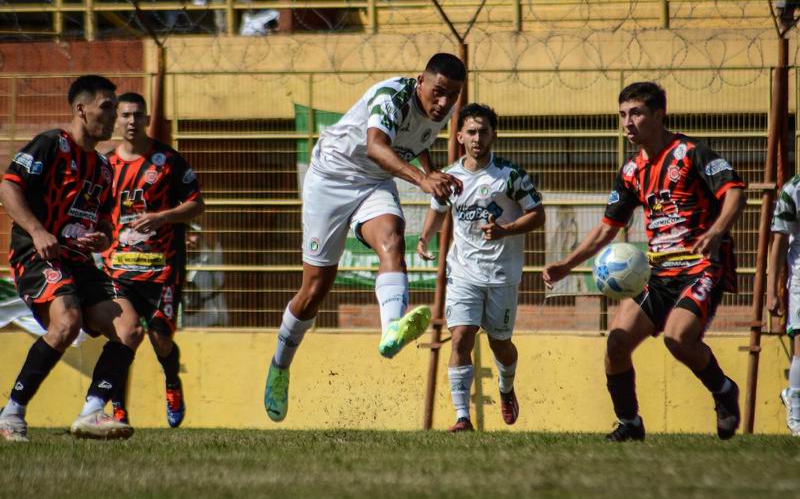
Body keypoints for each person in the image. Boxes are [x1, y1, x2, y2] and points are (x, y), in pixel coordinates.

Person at [263, 53, 466, 422]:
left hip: (373, 182)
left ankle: (391, 330)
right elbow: (376, 145)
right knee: (314, 290)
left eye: (452, 96)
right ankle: (280, 366)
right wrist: (422, 181)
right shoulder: (391, 96)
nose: (443, 103)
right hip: (331, 177)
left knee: (392, 238)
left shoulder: (444, 110)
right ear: (420, 80)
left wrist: (433, 174)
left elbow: (416, 140)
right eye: (438, 93)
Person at [543, 82, 746, 441]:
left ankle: (723, 390)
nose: (627, 122)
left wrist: (716, 231)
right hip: (657, 272)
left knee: (678, 338)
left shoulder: (690, 152)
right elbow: (607, 229)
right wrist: (566, 264)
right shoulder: (631, 170)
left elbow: (734, 192)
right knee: (617, 343)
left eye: (635, 113)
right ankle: (630, 424)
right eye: (622, 114)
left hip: (700, 267)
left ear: (658, 114)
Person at [0, 75, 143, 442]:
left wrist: (101, 238)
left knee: (129, 328)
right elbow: (8, 185)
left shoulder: (103, 167)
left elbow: (105, 225)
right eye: (106, 107)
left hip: (78, 261)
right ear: (81, 109)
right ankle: (11, 414)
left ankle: (92, 412)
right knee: (66, 322)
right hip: (37, 255)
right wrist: (37, 231)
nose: (113, 117)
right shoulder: (51, 144)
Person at [417, 103, 544, 432]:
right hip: (463, 272)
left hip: (502, 273)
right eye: (471, 132)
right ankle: (462, 417)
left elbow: (538, 214)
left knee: (499, 343)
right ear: (460, 136)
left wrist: (506, 230)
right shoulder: (451, 178)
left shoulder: (509, 176)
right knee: (460, 337)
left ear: (494, 135)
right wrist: (425, 238)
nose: (477, 138)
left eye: (483, 132)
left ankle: (506, 388)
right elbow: (438, 208)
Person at [103, 92, 205, 428]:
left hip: (162, 269)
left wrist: (163, 217)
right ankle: (118, 408)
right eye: (125, 115)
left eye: (138, 115)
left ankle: (172, 383)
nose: (132, 122)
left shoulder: (168, 161)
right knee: (124, 335)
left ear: (147, 120)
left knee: (160, 339)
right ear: (116, 120)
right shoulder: (104, 165)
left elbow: (196, 204)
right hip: (118, 270)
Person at [766, 176, 800, 436]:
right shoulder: (794, 188)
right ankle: (797, 415)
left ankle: (792, 393)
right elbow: (778, 241)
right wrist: (772, 292)